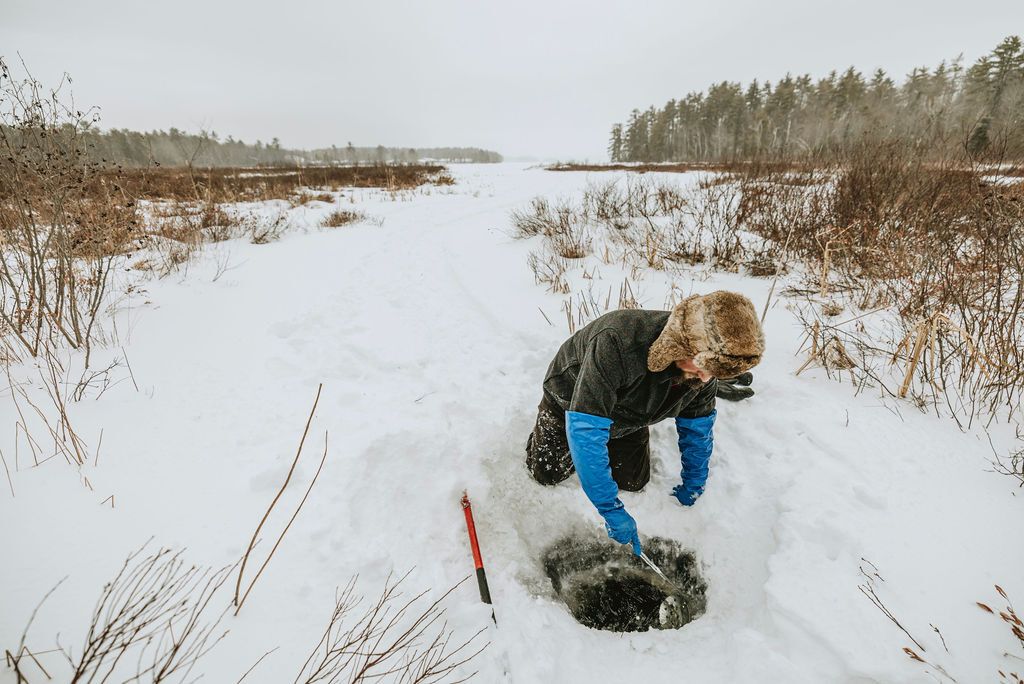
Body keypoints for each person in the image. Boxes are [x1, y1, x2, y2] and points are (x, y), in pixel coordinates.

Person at [525, 290, 765, 555]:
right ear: (682, 345)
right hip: (571, 402)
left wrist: (694, 483)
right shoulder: (616, 341)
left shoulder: (703, 374)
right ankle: (541, 435)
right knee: (547, 474)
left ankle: (614, 440)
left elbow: (697, 429)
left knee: (632, 484)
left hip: (631, 416)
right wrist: (609, 508)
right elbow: (586, 431)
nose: (707, 379)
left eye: (713, 373)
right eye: (702, 367)